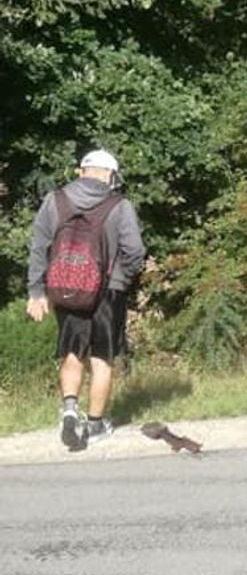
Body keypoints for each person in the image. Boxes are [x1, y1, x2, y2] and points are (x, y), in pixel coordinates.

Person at [25, 146, 146, 450]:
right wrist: (120, 280)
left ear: (81, 171)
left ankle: (69, 411)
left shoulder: (55, 200)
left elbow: (39, 246)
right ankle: (94, 424)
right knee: (102, 358)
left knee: (71, 352)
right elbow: (134, 252)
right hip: (107, 291)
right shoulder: (120, 205)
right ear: (110, 175)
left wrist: (36, 291)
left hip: (66, 288)